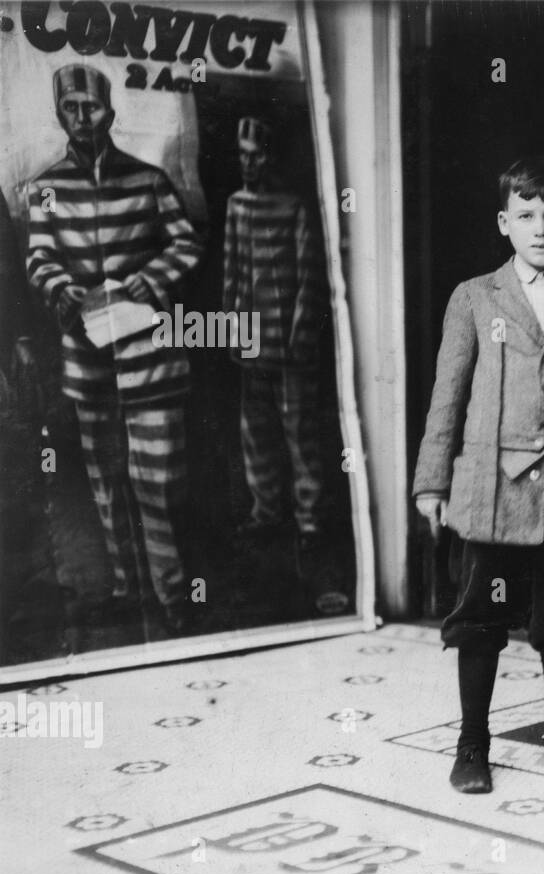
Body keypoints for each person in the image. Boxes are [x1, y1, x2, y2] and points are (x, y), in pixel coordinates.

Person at [412, 157, 544, 794]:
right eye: (527, 216)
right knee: (480, 617)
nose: (541, 229)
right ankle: (472, 744)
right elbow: (447, 397)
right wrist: (432, 482)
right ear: (505, 222)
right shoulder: (476, 298)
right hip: (491, 490)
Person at [26, 65, 202, 637]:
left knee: (158, 482)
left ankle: (174, 599)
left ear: (112, 112)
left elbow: (185, 243)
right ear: (59, 114)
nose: (83, 118)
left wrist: (147, 281)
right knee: (107, 481)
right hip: (89, 361)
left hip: (150, 358)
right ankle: (128, 591)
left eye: (93, 107)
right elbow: (39, 257)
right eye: (72, 107)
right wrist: (62, 288)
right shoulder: (47, 186)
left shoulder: (149, 180)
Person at [222, 115, 327, 552]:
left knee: (300, 435)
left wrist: (300, 337)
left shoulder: (293, 206)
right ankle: (265, 512)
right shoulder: (236, 204)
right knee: (256, 433)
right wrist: (230, 331)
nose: (247, 164)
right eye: (242, 155)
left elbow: (308, 278)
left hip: (287, 347)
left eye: (256, 155)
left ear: (271, 156)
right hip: (250, 342)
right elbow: (232, 273)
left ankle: (311, 524)